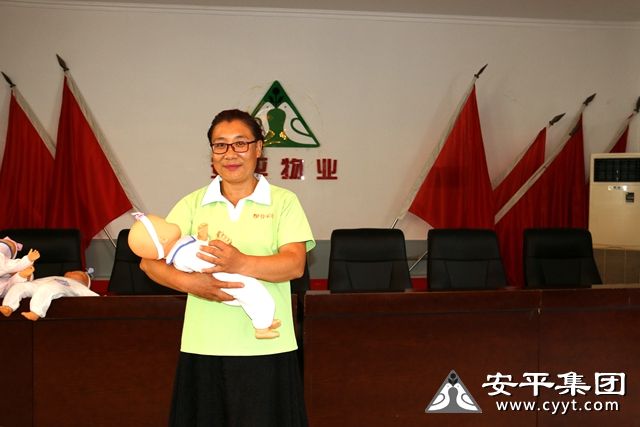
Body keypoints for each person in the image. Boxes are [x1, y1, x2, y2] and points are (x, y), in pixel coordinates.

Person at [140, 109, 315, 426]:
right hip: (204, 344)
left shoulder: (283, 201)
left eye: (240, 143)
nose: (230, 153)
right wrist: (192, 284)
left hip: (268, 346)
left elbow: (295, 265)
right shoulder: (192, 204)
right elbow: (149, 262)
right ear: (211, 153)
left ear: (258, 148)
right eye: (220, 145)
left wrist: (240, 262)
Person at [128, 213, 281, 339]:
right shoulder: (182, 256)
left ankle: (264, 321)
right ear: (163, 239)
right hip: (222, 278)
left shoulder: (181, 245)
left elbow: (198, 247)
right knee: (255, 293)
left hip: (224, 274)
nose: (169, 221)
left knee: (252, 297)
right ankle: (262, 328)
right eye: (164, 222)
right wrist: (222, 248)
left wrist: (203, 237)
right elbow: (205, 260)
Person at [0, 270, 97, 320]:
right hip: (39, 284)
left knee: (47, 288)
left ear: (84, 283)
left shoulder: (78, 286)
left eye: (81, 274)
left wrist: (101, 298)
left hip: (59, 286)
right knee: (20, 286)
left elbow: (94, 297)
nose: (74, 272)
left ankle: (36, 312)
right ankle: (8, 306)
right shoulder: (55, 276)